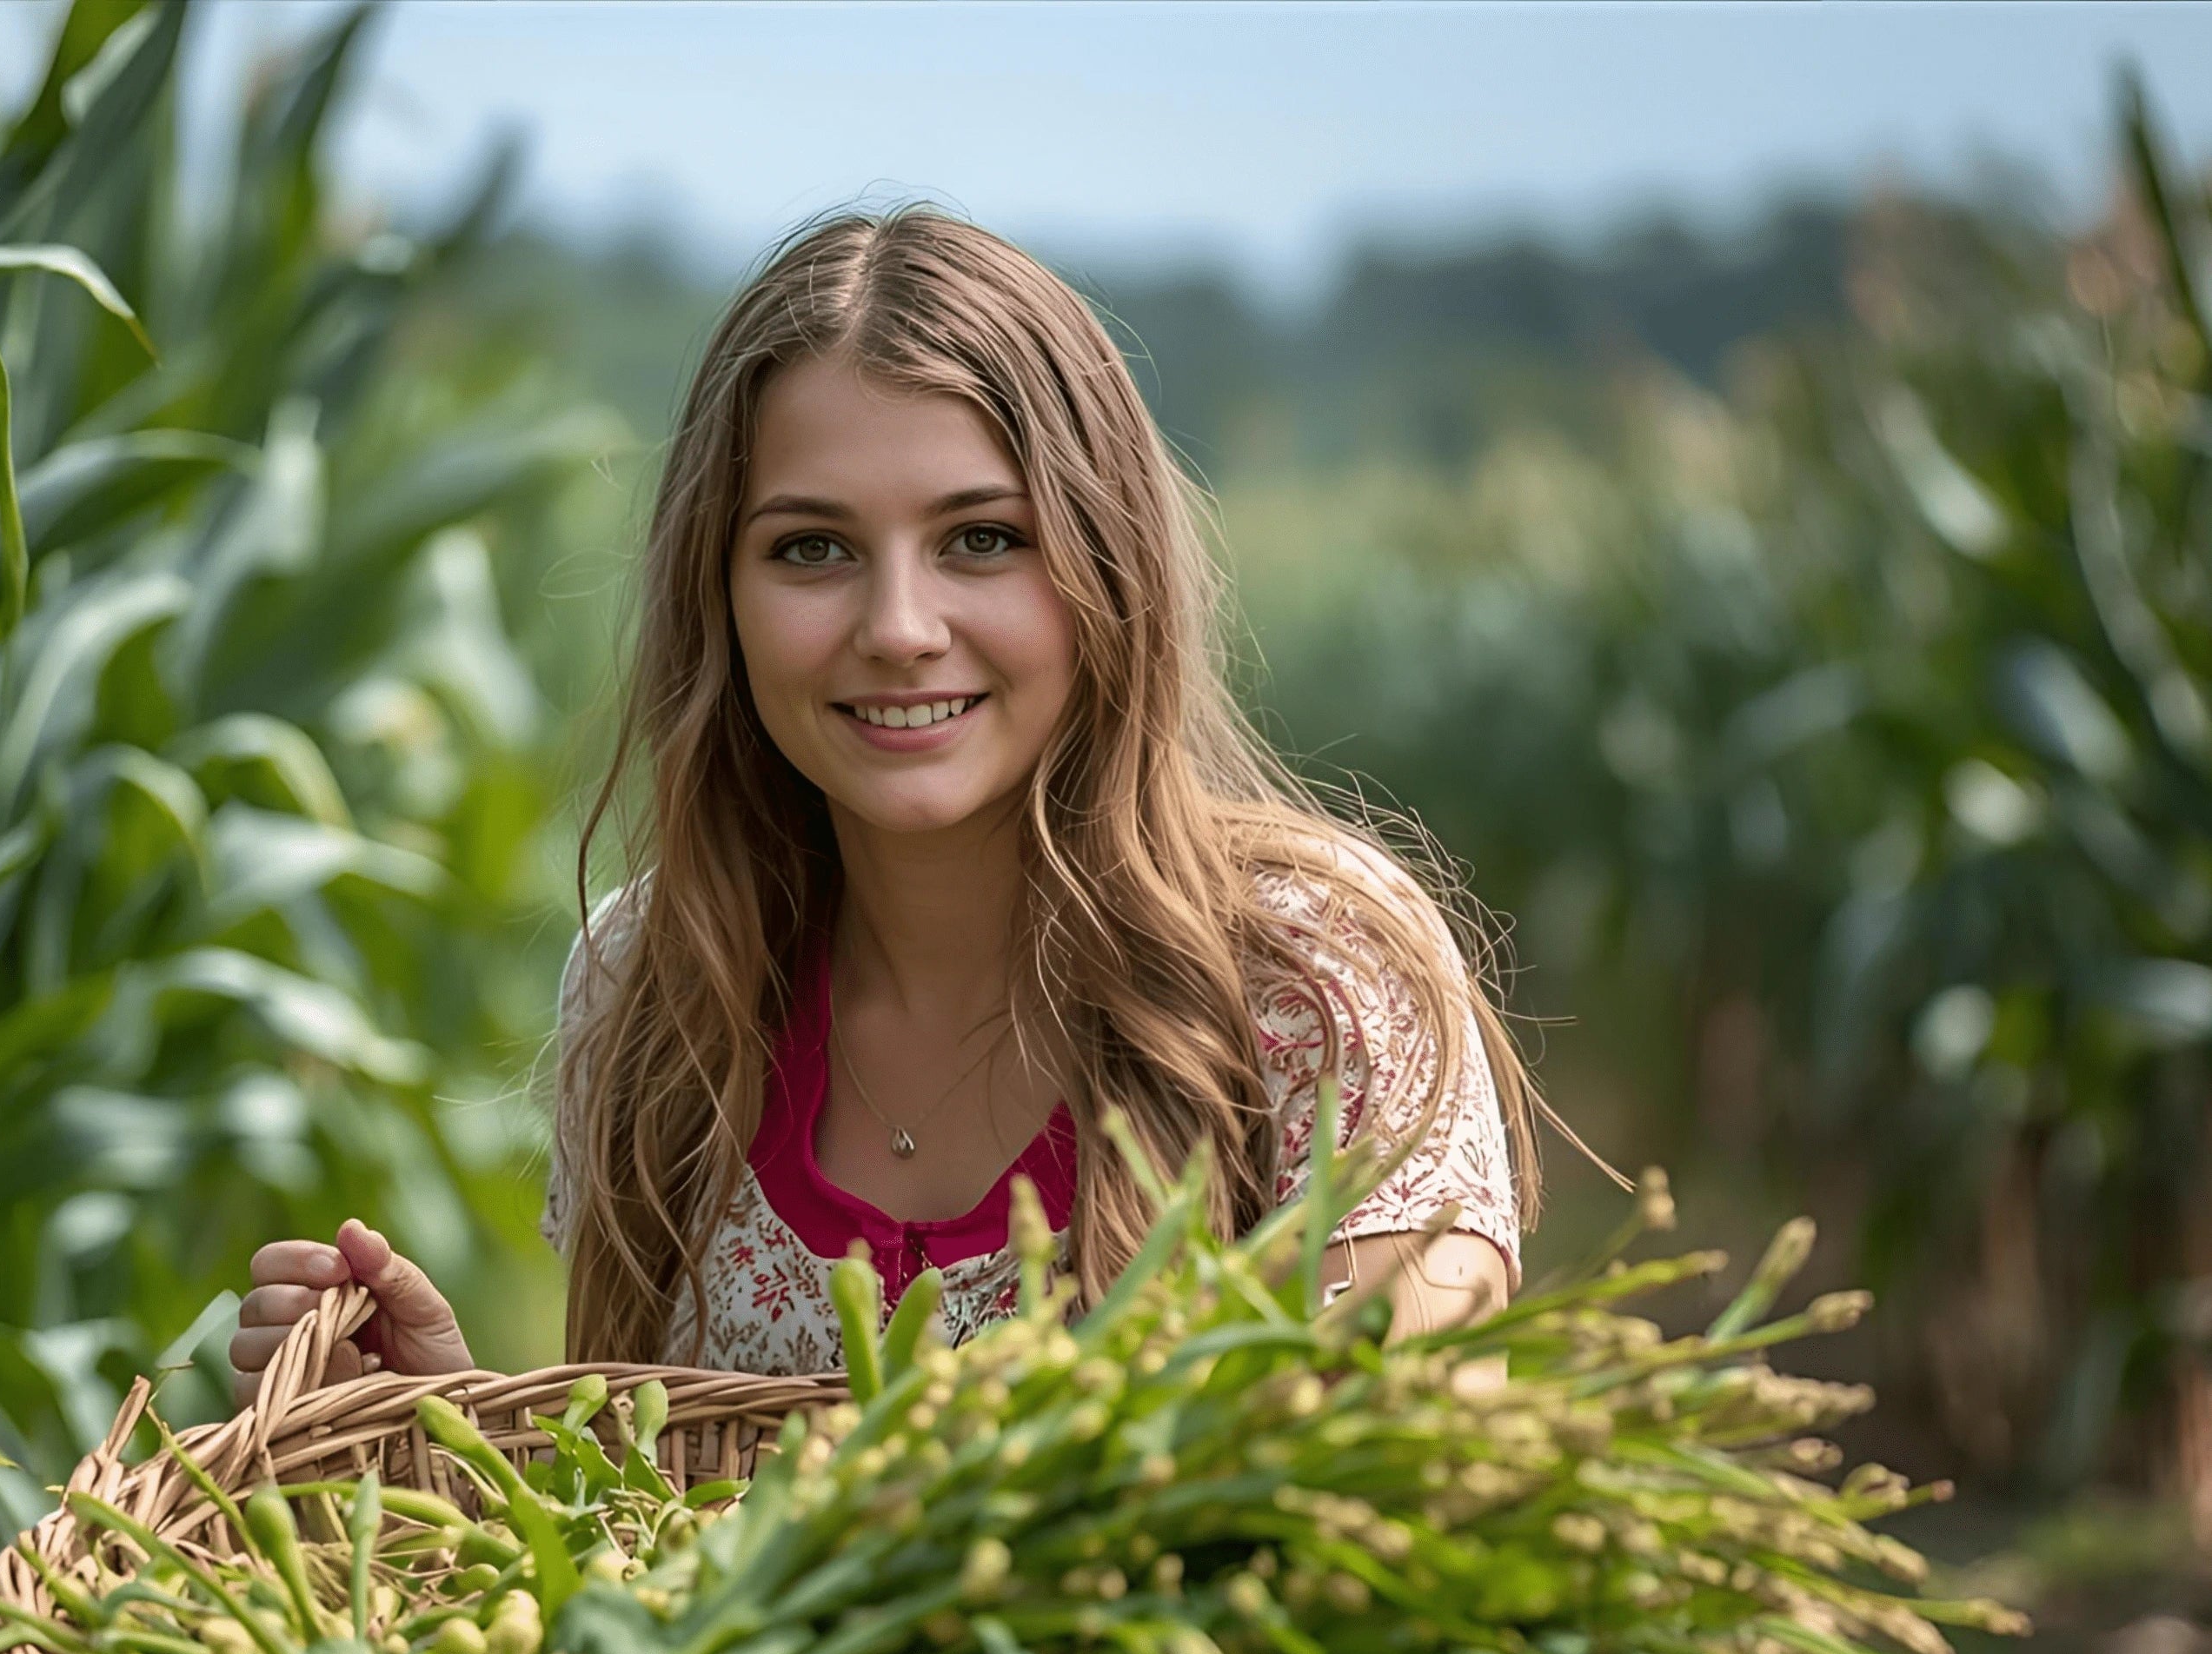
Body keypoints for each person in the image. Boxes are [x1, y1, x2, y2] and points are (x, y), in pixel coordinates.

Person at [229, 209, 1545, 1392]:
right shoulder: (650, 988)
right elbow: (639, 1560)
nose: (900, 628)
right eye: (812, 549)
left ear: (1109, 565)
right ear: (719, 598)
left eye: (984, 538)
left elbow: (1386, 1506)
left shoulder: (1312, 978)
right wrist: (441, 1433)